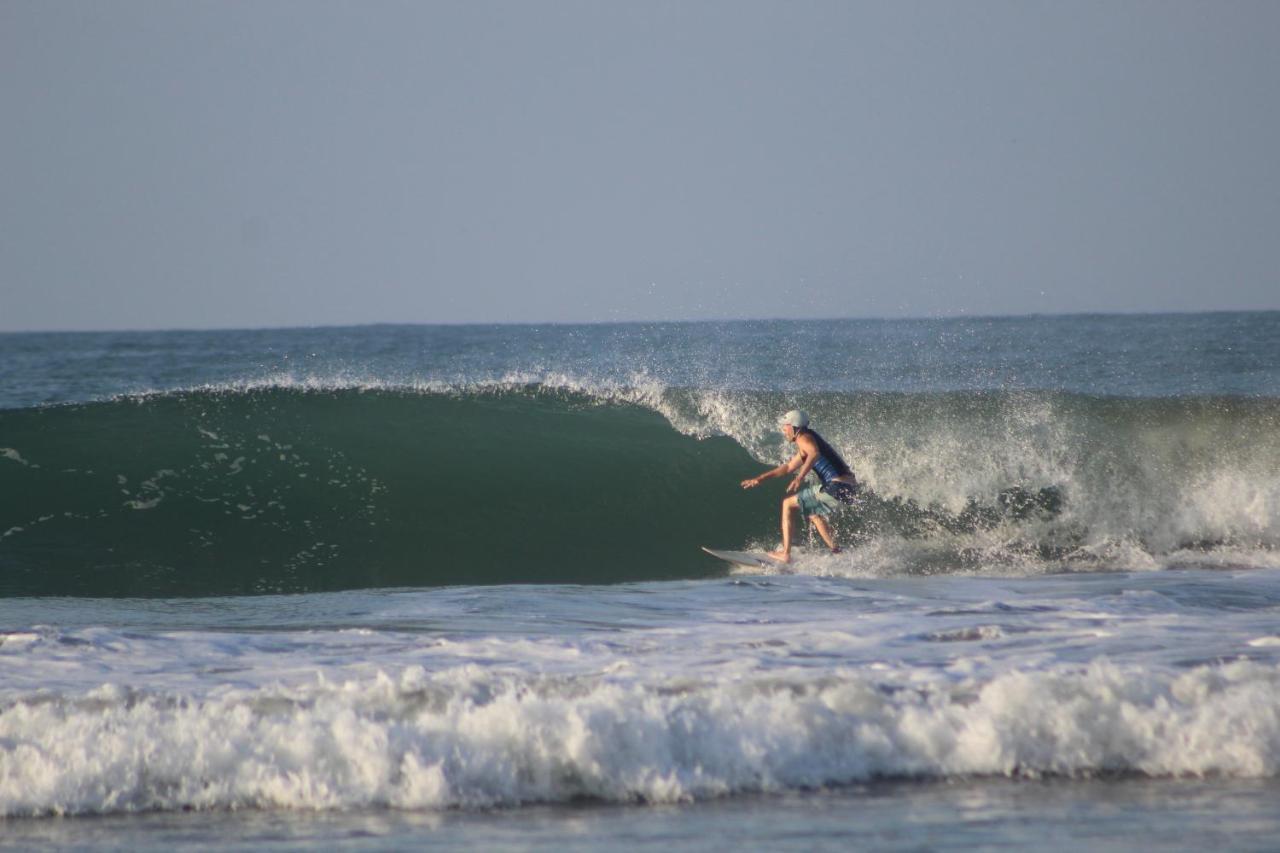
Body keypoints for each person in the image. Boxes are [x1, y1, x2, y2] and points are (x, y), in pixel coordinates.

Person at [740, 410, 859, 563]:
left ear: (794, 426)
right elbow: (788, 467)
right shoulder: (810, 438)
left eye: (785, 426)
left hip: (837, 485)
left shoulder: (804, 438)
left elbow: (814, 453)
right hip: (848, 487)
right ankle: (837, 551)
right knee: (813, 512)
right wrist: (760, 478)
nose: (783, 430)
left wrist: (800, 477)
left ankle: (785, 554)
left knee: (787, 504)